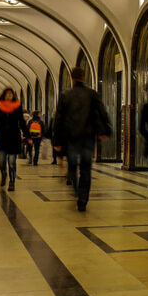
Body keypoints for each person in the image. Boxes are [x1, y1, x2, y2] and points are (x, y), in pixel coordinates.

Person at [53, 67, 111, 212]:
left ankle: (77, 191)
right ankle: (83, 198)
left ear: (71, 79)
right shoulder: (91, 94)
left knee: (72, 167)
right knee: (86, 169)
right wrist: (105, 131)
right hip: (87, 137)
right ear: (84, 78)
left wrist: (57, 141)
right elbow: (102, 112)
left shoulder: (65, 95)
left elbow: (58, 119)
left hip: (71, 138)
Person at [0, 88, 29, 191]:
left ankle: (12, 182)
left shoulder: (17, 106)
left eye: (11, 94)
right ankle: (4, 174)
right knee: (1, 161)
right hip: (1, 137)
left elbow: (21, 122)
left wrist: (27, 135)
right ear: (4, 95)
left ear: (13, 96)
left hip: (14, 137)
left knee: (12, 162)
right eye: (7, 94)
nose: (9, 95)